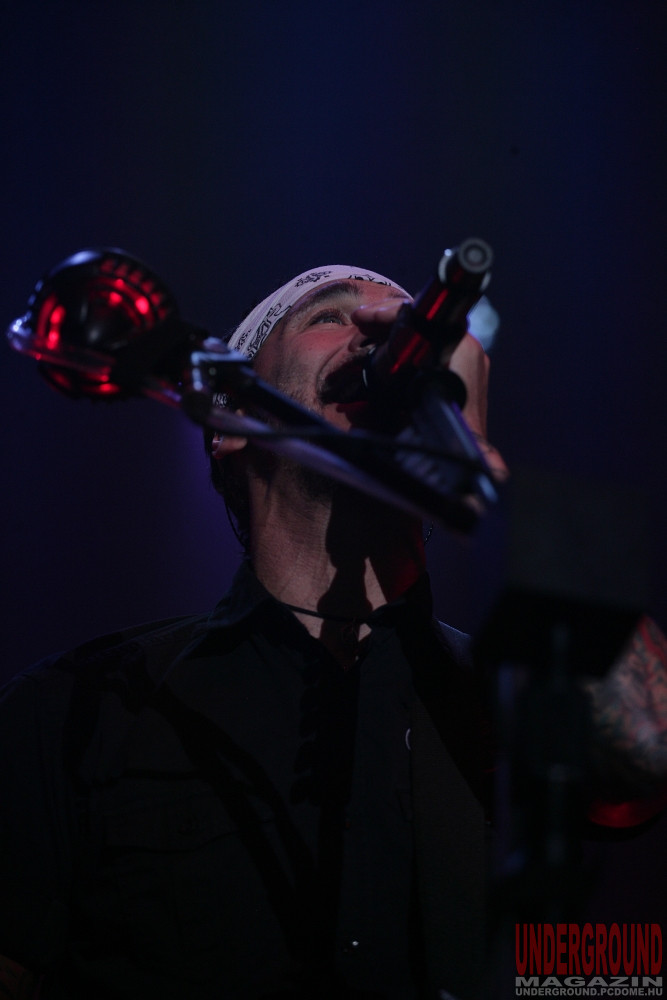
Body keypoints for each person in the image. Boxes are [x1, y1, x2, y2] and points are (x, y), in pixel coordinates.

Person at [0, 264, 665, 1000]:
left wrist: (476, 463)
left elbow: (647, 752)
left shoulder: (519, 688)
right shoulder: (78, 709)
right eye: (329, 313)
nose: (382, 331)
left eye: (404, 317)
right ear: (229, 420)